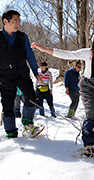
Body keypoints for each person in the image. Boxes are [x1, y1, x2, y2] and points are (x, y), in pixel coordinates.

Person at [31, 26, 94, 157]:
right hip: (88, 86)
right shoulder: (89, 53)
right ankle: (90, 144)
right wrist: (45, 49)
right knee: (92, 113)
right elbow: (68, 54)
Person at [0, 10, 43, 138]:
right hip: (5, 76)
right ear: (5, 21)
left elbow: (30, 56)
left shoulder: (22, 36)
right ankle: (11, 132)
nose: (18, 24)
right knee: (8, 105)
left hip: (22, 73)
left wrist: (36, 72)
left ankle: (28, 122)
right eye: (15, 21)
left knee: (31, 98)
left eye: (19, 21)